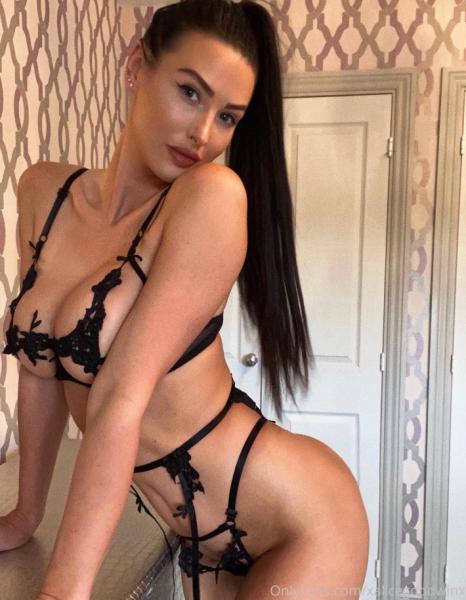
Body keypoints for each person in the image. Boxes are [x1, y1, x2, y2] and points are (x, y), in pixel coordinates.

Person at [0, 1, 369, 599]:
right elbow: (38, 370)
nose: (203, 135)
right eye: (190, 93)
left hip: (299, 525)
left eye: (227, 117)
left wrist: (60, 592)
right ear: (135, 66)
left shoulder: (210, 199)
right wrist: (25, 515)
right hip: (188, 534)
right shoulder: (44, 191)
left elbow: (120, 398)